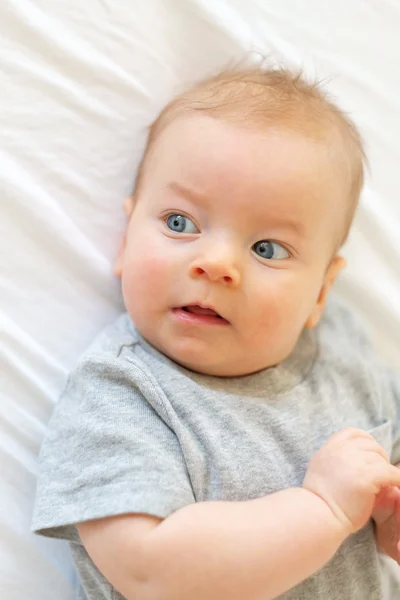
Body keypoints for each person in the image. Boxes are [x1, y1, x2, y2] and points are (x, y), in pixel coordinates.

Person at [32, 65, 400, 600]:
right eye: (180, 223)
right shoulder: (120, 392)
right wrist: (322, 508)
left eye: (266, 249)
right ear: (125, 242)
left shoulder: (347, 350)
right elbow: (150, 573)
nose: (217, 264)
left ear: (321, 293)